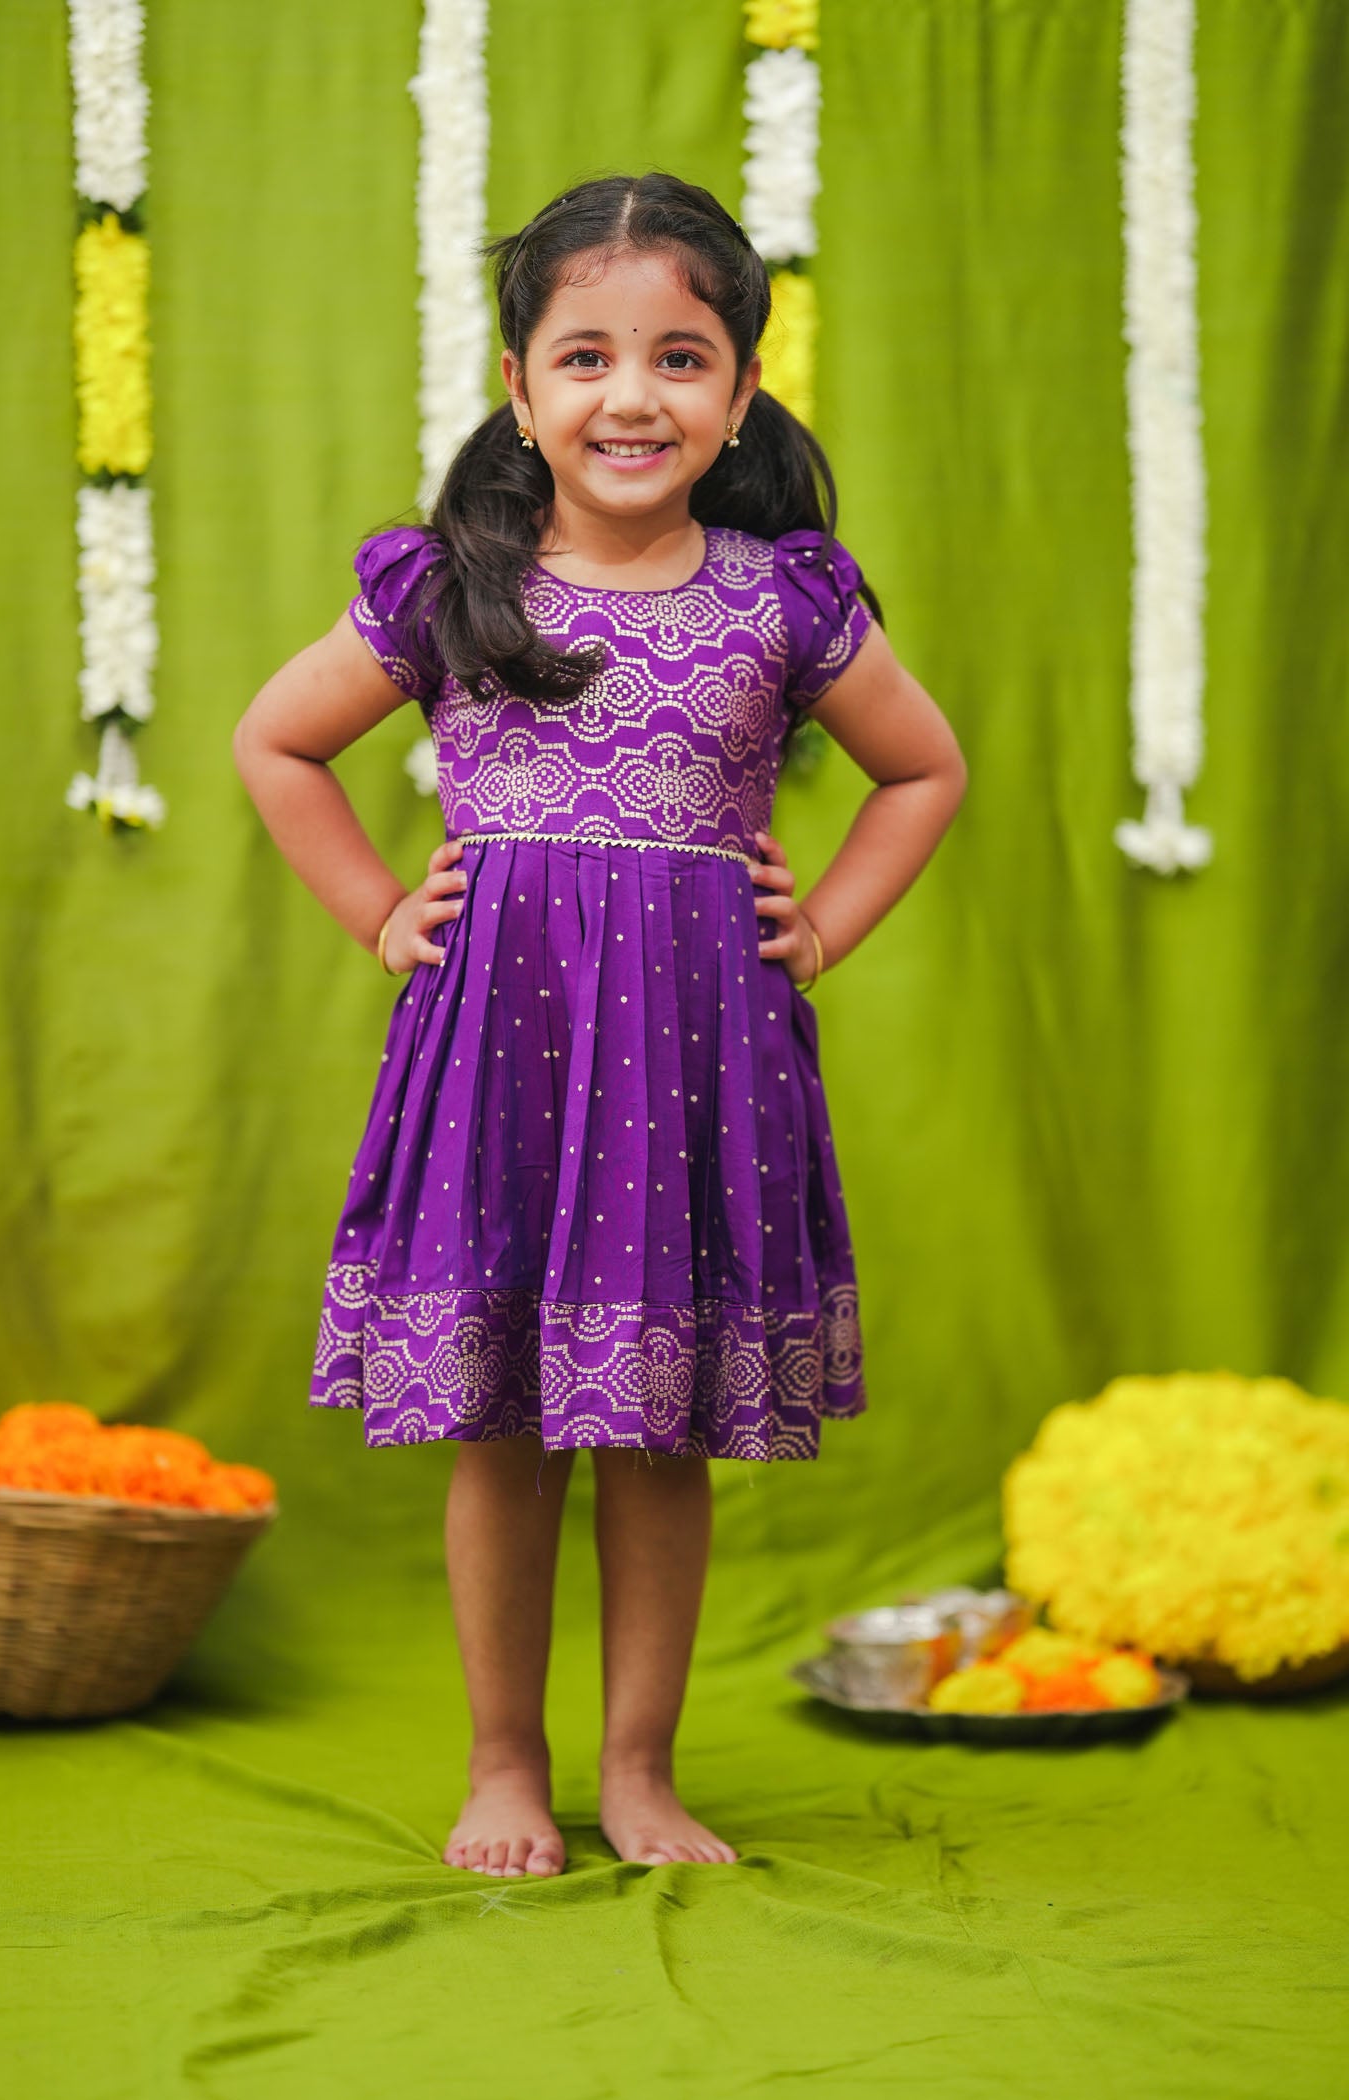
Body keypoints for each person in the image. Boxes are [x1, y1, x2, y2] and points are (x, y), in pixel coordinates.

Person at [233, 171, 967, 1880]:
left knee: (657, 1429)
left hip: (696, 1063)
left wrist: (823, 924)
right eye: (586, 357)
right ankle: (505, 1765)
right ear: (520, 388)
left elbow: (924, 769)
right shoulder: (451, 588)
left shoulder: (785, 599)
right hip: (502, 1053)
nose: (631, 396)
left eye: (680, 358)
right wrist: (380, 910)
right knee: (503, 1427)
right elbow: (278, 740)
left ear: (742, 393)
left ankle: (640, 1771)